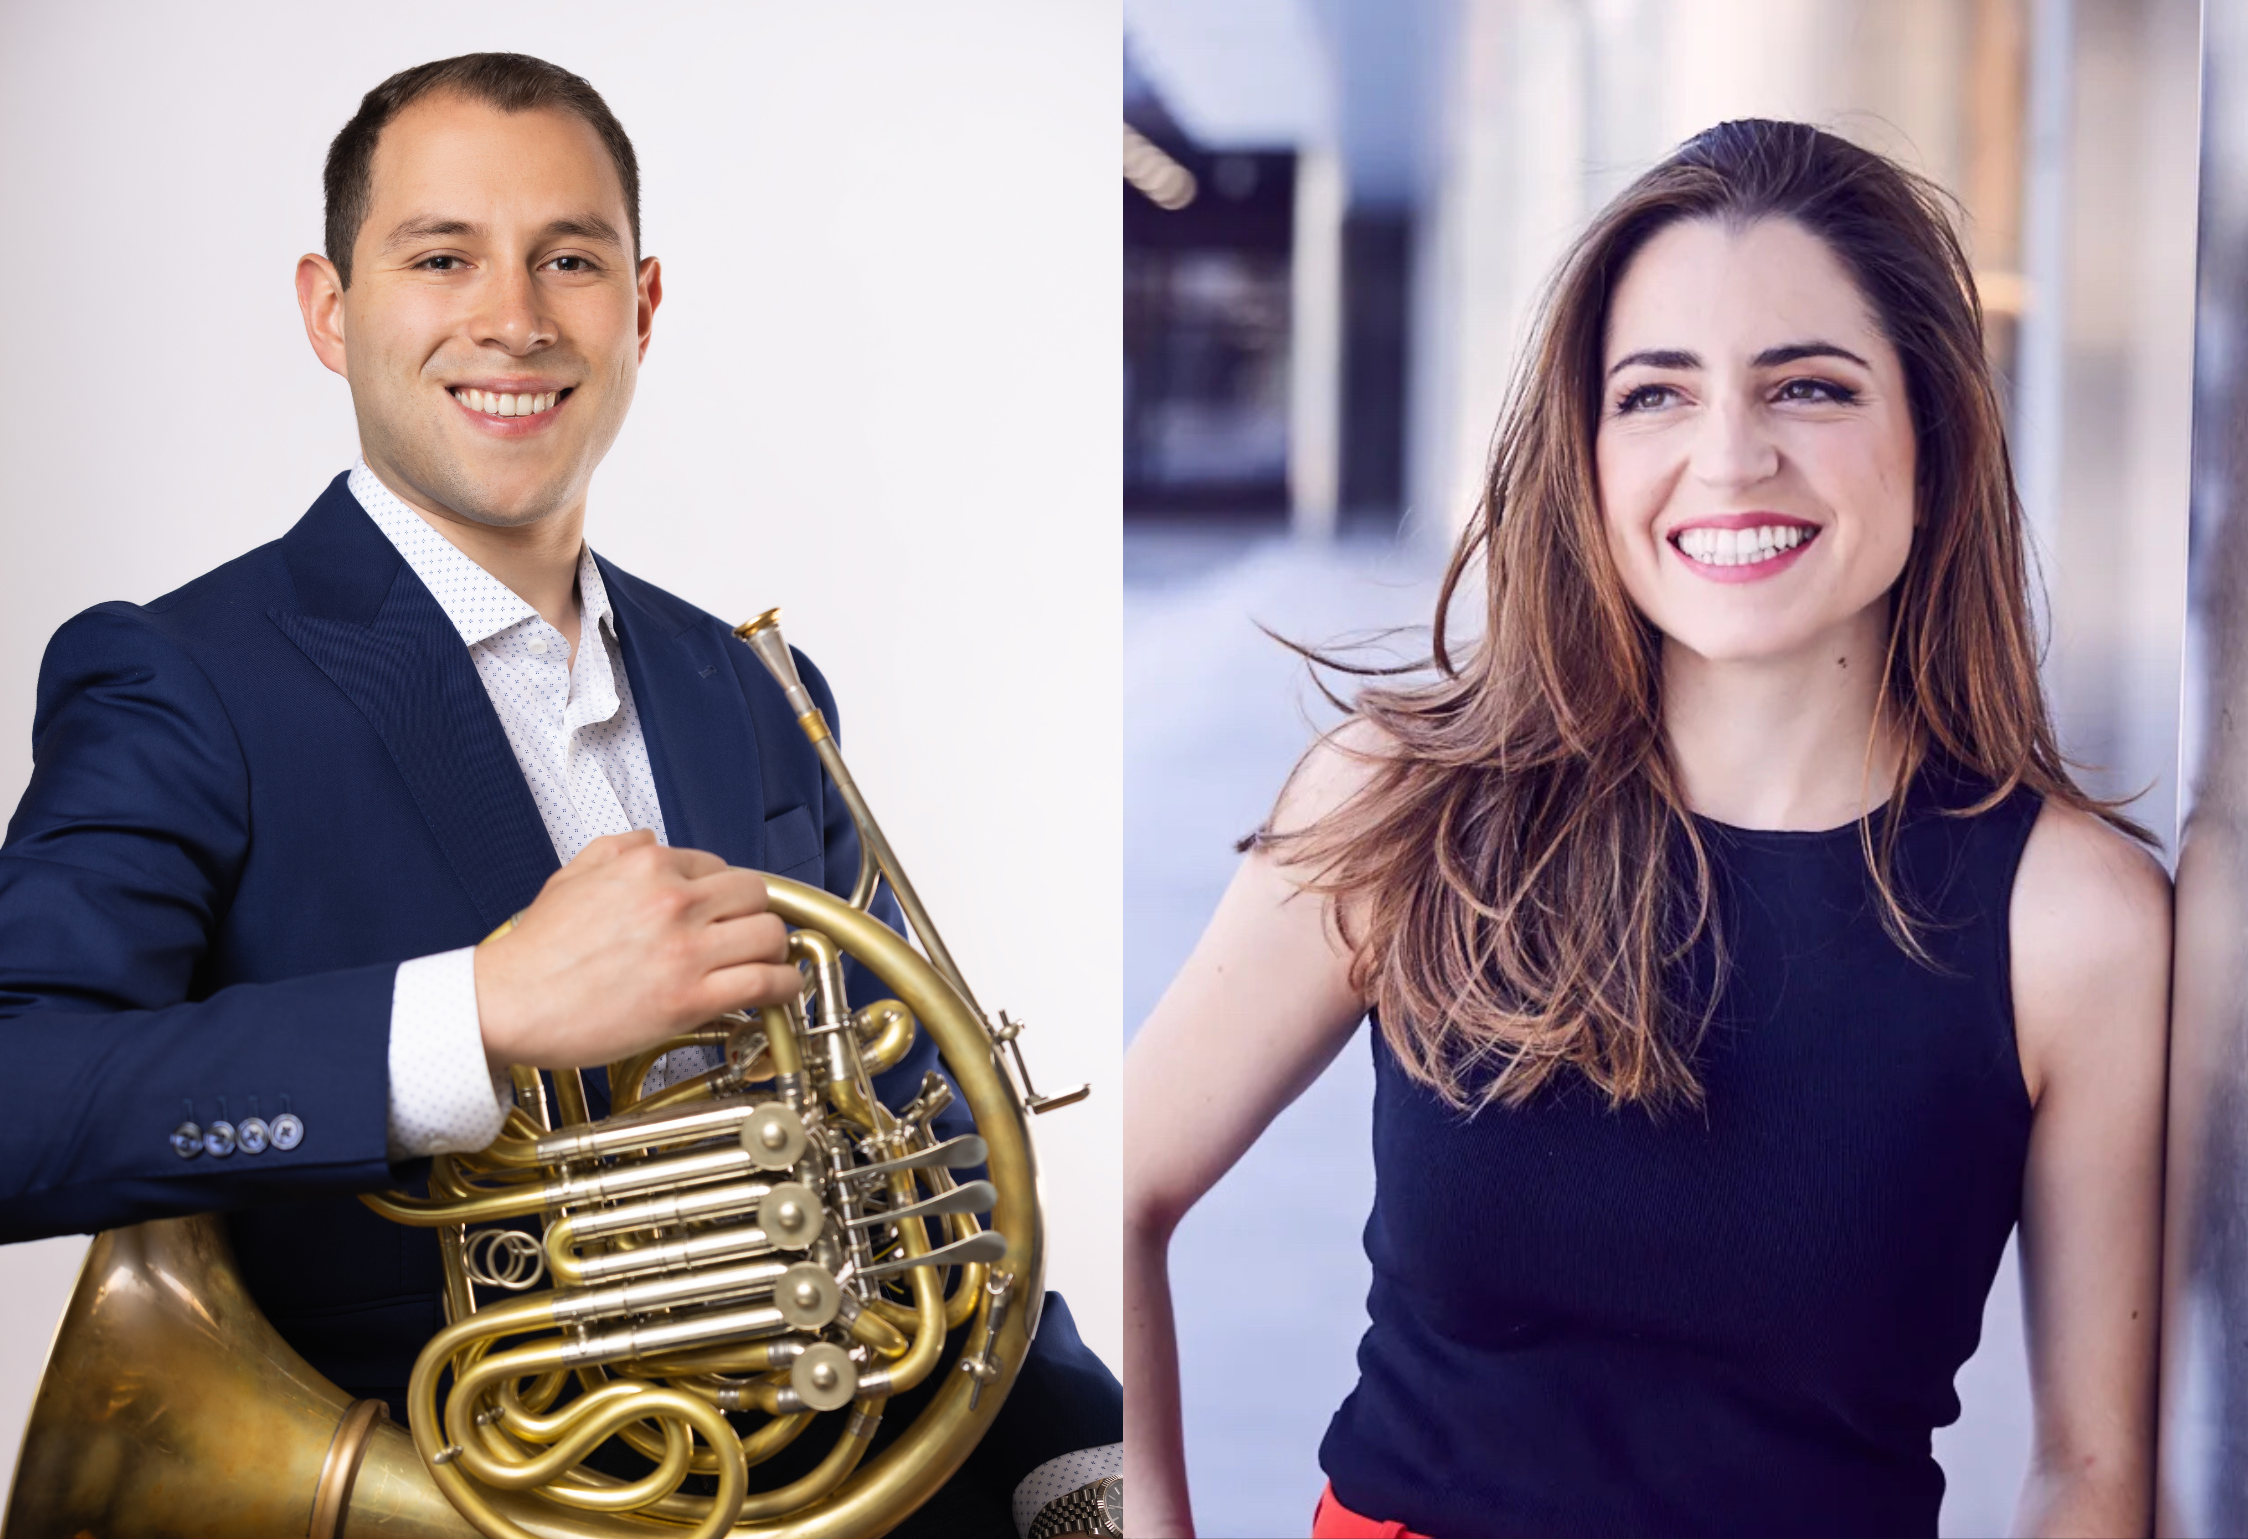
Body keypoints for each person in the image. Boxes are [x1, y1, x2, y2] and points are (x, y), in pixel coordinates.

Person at [0, 52, 1119, 1538]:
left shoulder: (751, 685)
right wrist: (472, 1012)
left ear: (642, 308)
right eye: (441, 255)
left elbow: (917, 1139)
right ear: (330, 312)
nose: (514, 317)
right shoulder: (180, 676)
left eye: (569, 260)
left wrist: (1077, 1452)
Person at [1124, 119, 2170, 1538]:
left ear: (1931, 427)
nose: (1730, 458)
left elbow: (2094, 1473)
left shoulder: (2074, 923)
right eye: (1656, 395)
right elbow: (1110, 1181)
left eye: (1808, 386)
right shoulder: (1407, 805)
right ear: (1589, 447)